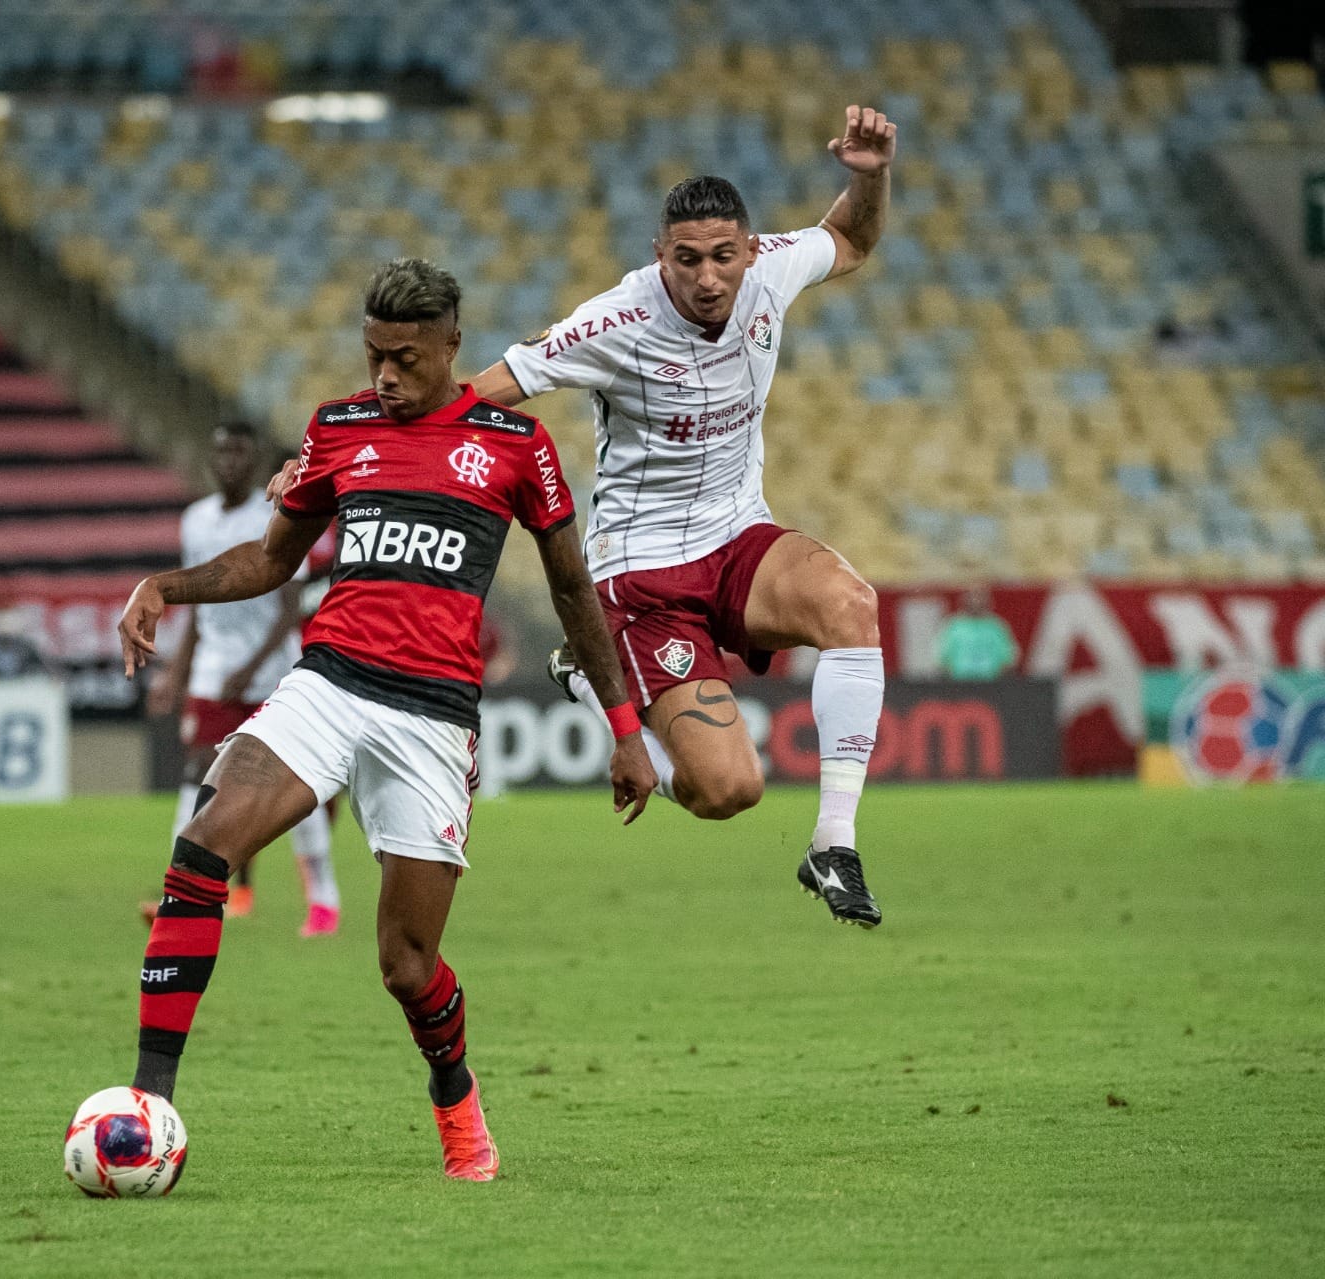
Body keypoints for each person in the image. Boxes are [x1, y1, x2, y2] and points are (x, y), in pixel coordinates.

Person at [271, 105, 897, 928]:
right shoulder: (615, 321)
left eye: (722, 258)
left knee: (853, 604)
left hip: (740, 533)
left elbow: (849, 239)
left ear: (748, 250)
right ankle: (587, 674)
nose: (708, 279)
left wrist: (869, 175)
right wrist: (338, 445)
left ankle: (834, 843)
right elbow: (477, 391)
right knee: (727, 790)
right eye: (686, 261)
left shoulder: (771, 269)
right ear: (658, 257)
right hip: (641, 573)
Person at [117, 259, 655, 1181]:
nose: (385, 378)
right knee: (204, 844)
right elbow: (272, 560)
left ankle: (455, 1094)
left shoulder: (516, 445)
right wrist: (164, 586)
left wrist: (626, 727)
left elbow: (572, 589)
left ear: (451, 345)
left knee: (408, 966)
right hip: (326, 683)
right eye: (373, 356)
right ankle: (147, 1103)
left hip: (434, 718)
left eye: (404, 359)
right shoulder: (338, 428)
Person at [146, 421, 342, 936]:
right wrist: (176, 672)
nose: (229, 461)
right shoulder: (194, 520)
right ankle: (177, 893)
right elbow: (194, 602)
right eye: (221, 452)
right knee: (197, 777)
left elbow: (286, 605)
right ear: (211, 460)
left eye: (239, 453)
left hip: (270, 672)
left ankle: (323, 901)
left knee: (298, 788)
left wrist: (250, 669)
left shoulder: (275, 513)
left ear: (253, 462)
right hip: (213, 671)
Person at [937, 587, 1019, 681]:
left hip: (991, 684)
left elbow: (1009, 657)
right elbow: (941, 657)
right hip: (959, 684)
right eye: (972, 598)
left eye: (979, 598)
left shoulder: (996, 626)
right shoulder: (954, 626)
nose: (976, 602)